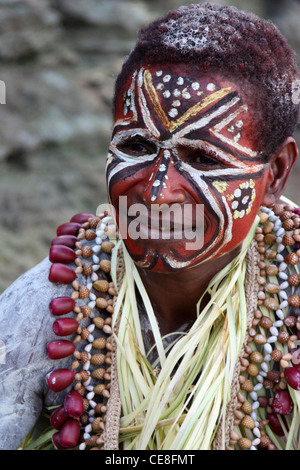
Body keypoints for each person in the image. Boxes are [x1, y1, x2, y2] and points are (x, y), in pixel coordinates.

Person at [1, 2, 300, 451]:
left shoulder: (290, 313)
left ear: (275, 173)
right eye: (137, 145)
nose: (158, 193)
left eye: (203, 158)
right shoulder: (46, 308)